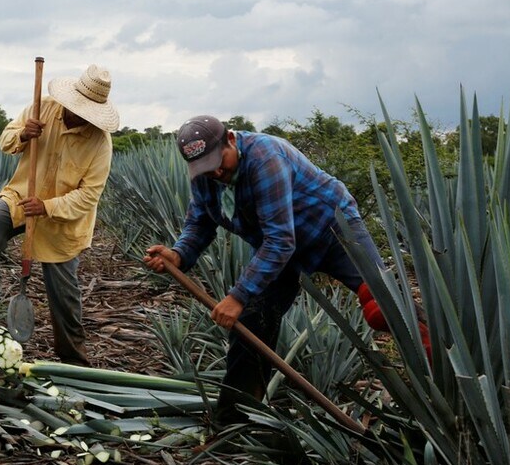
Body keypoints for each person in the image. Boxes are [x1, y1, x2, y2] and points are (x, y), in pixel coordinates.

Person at [144, 115, 431, 425]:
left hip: (330, 228)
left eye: (218, 161)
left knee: (383, 305)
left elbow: (281, 240)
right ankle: (236, 423)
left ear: (230, 139)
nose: (215, 171)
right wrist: (178, 253)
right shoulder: (206, 173)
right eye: (204, 167)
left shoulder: (265, 157)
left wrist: (237, 295)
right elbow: (200, 221)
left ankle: (448, 370)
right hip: (280, 247)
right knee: (252, 321)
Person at [0, 64, 119, 367]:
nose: (76, 114)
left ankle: (73, 360)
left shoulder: (100, 144)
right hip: (21, 197)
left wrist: (47, 207)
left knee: (64, 295)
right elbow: (6, 141)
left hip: (62, 221)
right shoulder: (41, 108)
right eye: (74, 106)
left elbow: (88, 197)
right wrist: (24, 134)